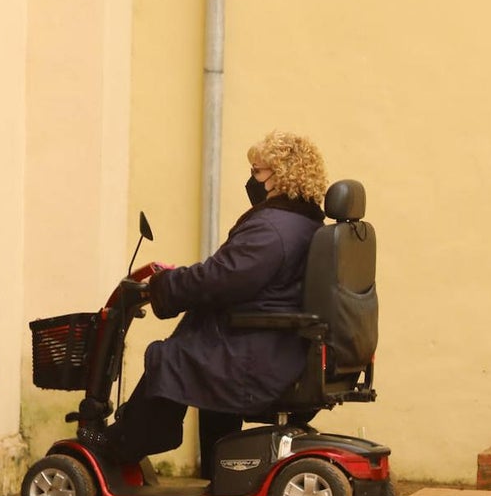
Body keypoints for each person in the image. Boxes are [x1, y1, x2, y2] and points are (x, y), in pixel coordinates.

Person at [100, 130, 329, 470]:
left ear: (280, 176)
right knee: (198, 359)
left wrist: (161, 286)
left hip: (261, 352)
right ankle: (218, 471)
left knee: (172, 356)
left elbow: (222, 278)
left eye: (256, 172)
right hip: (277, 346)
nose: (251, 180)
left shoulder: (272, 229)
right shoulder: (301, 223)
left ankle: (130, 441)